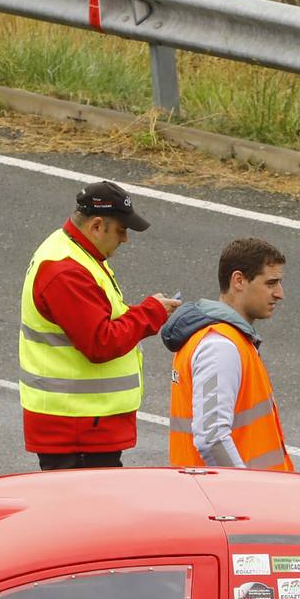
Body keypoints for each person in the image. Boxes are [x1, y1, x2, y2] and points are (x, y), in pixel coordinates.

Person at [19, 180, 177, 470]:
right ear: (96, 226)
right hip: (77, 430)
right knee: (83, 514)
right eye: (121, 230)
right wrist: (150, 313)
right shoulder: (65, 271)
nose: (125, 239)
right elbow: (100, 341)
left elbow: (98, 315)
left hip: (81, 425)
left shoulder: (73, 252)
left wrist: (142, 310)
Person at [160, 237, 291, 470]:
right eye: (271, 283)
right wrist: (242, 488)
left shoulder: (229, 339)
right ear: (238, 281)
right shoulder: (220, 346)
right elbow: (211, 439)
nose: (280, 293)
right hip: (229, 500)